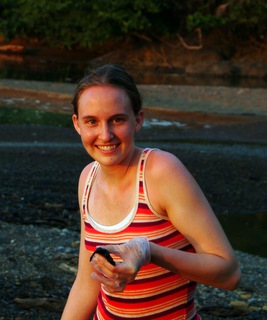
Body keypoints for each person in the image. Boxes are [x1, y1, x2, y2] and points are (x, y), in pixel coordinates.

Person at [61, 64, 240, 320]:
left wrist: (149, 252)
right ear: (77, 124)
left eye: (117, 119)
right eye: (92, 121)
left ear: (139, 120)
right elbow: (86, 282)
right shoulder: (87, 178)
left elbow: (229, 273)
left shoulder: (161, 172)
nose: (105, 134)